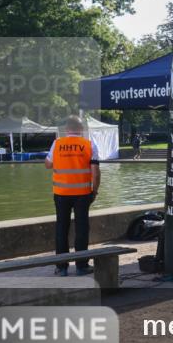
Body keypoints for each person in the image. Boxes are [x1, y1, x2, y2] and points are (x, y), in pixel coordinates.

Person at [45, 116, 100, 276]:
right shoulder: (89, 144)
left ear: (66, 129)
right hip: (83, 194)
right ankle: (82, 266)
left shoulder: (57, 143)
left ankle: (61, 267)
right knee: (82, 229)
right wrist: (94, 191)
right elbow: (95, 173)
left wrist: (61, 161)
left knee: (61, 228)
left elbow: (48, 164)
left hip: (61, 194)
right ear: (81, 129)